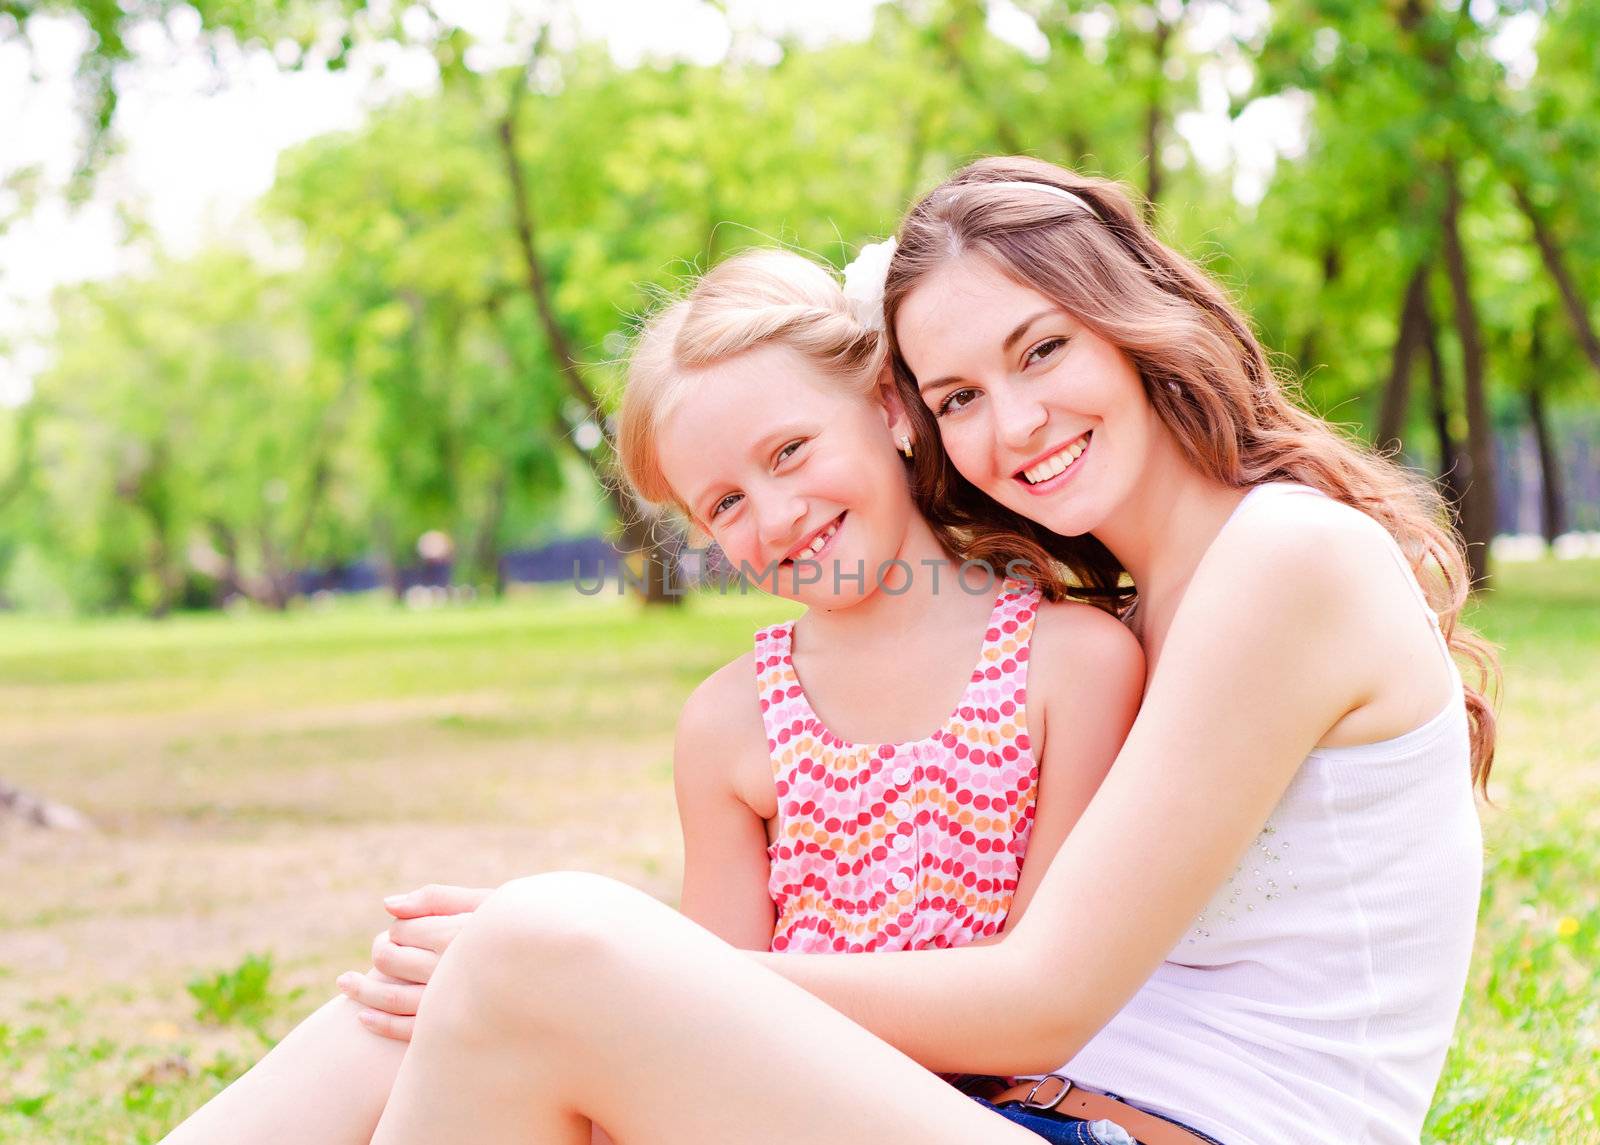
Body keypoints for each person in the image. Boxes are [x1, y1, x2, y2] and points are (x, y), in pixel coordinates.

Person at [336, 158, 1492, 1145]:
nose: (1014, 421)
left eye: (1041, 349)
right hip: (1029, 1112)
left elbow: (1038, 999)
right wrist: (616, 978)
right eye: (959, 394)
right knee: (407, 1000)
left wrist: (628, 972)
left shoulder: (1283, 559)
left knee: (535, 949)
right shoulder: (1161, 599)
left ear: (1133, 312)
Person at [160, 245, 1143, 1143]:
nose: (775, 515)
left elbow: (1026, 1015)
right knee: (398, 1009)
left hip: (960, 1111)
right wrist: (569, 975)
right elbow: (704, 1018)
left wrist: (588, 965)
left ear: (889, 407)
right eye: (723, 503)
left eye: (790, 450)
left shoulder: (1068, 663)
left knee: (509, 963)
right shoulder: (732, 722)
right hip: (754, 1106)